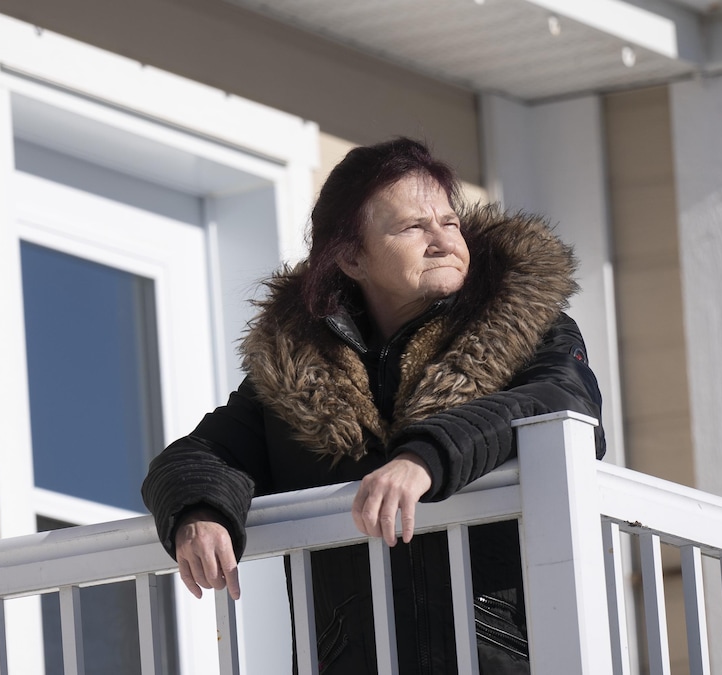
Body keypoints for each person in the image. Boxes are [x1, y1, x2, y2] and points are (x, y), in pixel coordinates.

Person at [142, 138, 605, 674]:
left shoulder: (530, 327)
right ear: (352, 257)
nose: (441, 241)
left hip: (503, 659)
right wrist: (198, 510)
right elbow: (199, 455)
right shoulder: (297, 368)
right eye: (414, 227)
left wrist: (425, 458)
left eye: (449, 223)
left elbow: (561, 403)